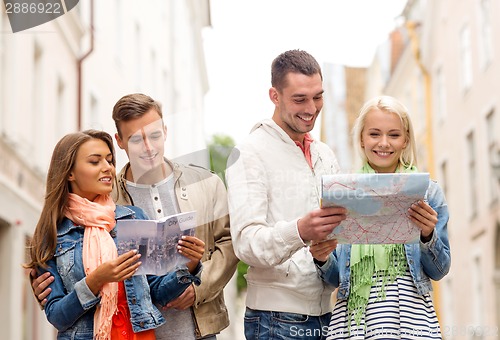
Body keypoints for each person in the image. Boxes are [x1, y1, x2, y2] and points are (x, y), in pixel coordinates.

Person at [32, 95, 238, 340]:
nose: (149, 148)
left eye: (154, 136)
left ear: (165, 130)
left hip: (192, 330)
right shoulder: (103, 203)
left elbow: (228, 243)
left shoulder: (199, 186)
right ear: (120, 141)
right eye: (137, 139)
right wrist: (89, 283)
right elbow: (56, 309)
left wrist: (194, 273)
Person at [25, 130, 204, 340]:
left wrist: (190, 264)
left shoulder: (134, 218)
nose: (107, 168)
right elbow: (57, 317)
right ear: (69, 172)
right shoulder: (53, 234)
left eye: (109, 160)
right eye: (94, 161)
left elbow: (156, 292)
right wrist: (96, 280)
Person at [225, 49, 347, 340]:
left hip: (328, 315)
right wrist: (300, 231)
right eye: (299, 99)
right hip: (275, 321)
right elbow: (245, 242)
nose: (311, 108)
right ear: (274, 96)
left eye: (318, 96)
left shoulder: (325, 154)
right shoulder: (248, 153)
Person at [311, 95, 451, 339]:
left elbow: (440, 270)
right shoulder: (343, 193)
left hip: (413, 321)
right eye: (374, 134)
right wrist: (322, 259)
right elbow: (335, 278)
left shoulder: (428, 193)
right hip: (354, 324)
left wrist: (428, 235)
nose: (384, 143)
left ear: (406, 140)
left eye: (394, 135)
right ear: (362, 139)